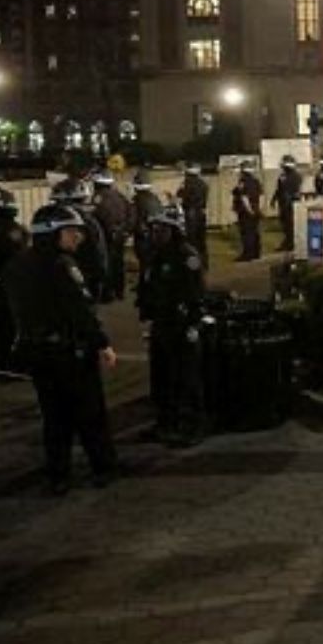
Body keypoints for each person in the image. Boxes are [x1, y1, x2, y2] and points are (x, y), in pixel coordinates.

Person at [5, 203, 119, 494]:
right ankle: (103, 468)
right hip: (70, 352)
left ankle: (58, 475)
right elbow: (80, 310)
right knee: (89, 413)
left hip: (38, 352)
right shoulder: (63, 265)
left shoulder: (17, 265)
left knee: (54, 417)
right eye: (70, 232)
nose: (77, 238)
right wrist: (102, 344)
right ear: (52, 234)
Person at [136, 205, 207, 448]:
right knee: (162, 378)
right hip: (162, 323)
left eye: (161, 228)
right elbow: (149, 286)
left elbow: (196, 293)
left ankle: (192, 426)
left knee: (187, 378)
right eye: (154, 228)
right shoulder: (156, 255)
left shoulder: (187, 256)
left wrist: (193, 324)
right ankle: (165, 422)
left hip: (182, 324)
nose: (156, 232)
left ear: (174, 230)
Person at [51, 178, 110, 305]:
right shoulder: (89, 221)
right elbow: (99, 252)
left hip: (73, 279)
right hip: (83, 277)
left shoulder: (54, 222)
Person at [0, 186, 28, 373]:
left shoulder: (10, 232)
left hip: (5, 288)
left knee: (7, 327)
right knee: (2, 327)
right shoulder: (6, 230)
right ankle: (3, 363)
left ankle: (10, 364)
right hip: (1, 287)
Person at [91, 171, 132, 302]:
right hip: (121, 233)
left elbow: (96, 216)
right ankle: (120, 291)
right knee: (119, 262)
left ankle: (107, 294)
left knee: (106, 263)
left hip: (106, 235)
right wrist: (125, 230)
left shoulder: (98, 198)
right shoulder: (120, 196)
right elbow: (131, 212)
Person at [177, 164, 210, 263]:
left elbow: (179, 196)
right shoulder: (203, 183)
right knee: (201, 239)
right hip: (201, 212)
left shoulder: (186, 183)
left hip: (191, 213)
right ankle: (204, 262)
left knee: (191, 240)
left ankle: (194, 263)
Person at [131, 172, 163, 270]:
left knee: (144, 265)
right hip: (157, 237)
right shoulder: (155, 198)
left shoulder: (136, 200)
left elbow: (133, 219)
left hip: (143, 238)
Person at [271, 155, 303, 253]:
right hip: (283, 203)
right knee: (285, 224)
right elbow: (279, 189)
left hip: (291, 203)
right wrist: (274, 199)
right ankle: (287, 242)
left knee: (291, 224)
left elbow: (293, 190)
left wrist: (289, 198)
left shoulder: (295, 176)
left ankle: (292, 243)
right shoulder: (283, 175)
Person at [233, 161, 263, 262]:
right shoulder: (256, 181)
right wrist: (259, 209)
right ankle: (256, 253)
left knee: (246, 233)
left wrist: (249, 210)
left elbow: (244, 197)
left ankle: (247, 254)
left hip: (246, 211)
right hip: (256, 208)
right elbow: (261, 196)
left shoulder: (242, 181)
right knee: (255, 232)